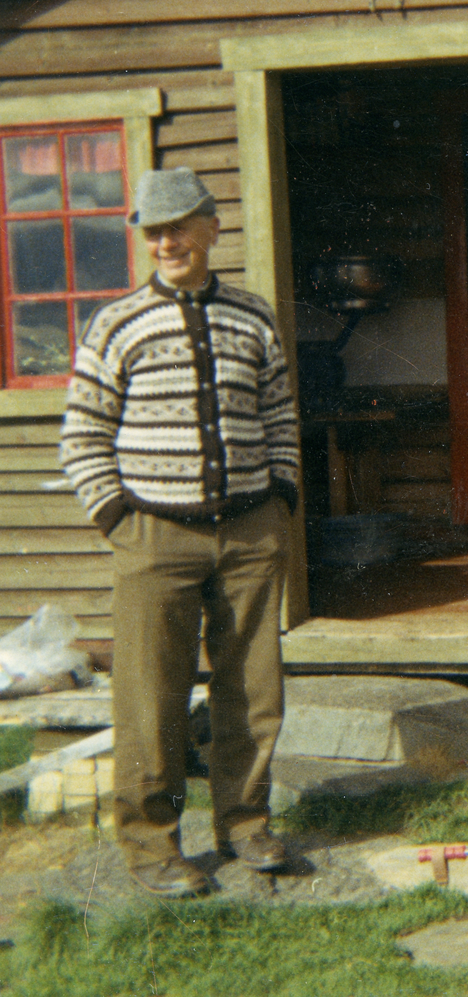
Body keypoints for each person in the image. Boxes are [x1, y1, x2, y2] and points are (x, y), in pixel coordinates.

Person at [61, 167, 301, 898]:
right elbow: (82, 434)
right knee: (150, 697)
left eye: (179, 226)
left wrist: (281, 495)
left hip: (249, 530)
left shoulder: (251, 318)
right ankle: (153, 844)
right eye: (153, 230)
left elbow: (281, 415)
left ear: (209, 227)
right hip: (153, 537)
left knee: (253, 689)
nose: (167, 241)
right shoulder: (117, 323)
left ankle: (246, 821)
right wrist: (116, 516)